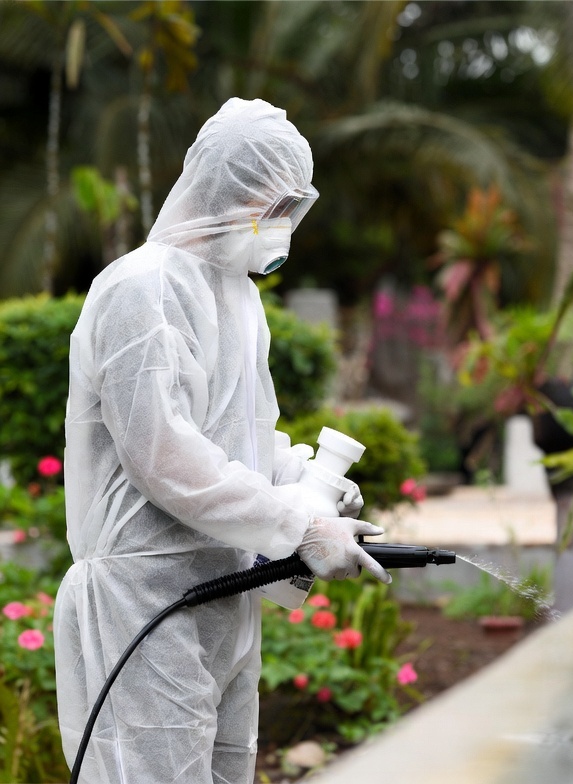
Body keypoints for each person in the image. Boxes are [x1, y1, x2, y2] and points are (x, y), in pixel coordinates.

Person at [55, 97, 390, 783]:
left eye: (294, 207)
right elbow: (163, 454)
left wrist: (303, 479)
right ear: (229, 190)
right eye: (276, 205)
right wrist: (296, 521)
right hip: (145, 597)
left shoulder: (238, 296)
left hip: (222, 593)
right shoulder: (141, 290)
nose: (283, 225)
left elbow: (241, 435)